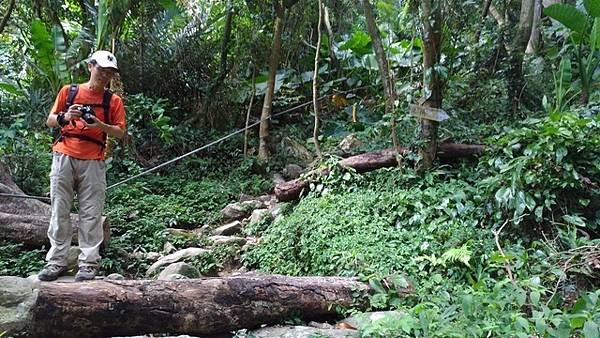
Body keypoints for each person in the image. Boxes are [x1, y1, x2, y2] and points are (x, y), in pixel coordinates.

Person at [38, 50, 126, 282]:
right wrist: (66, 116)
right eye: (101, 70)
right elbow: (49, 120)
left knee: (91, 213)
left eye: (109, 73)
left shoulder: (112, 101)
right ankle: (56, 261)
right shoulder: (69, 91)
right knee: (59, 210)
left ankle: (88, 263)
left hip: (94, 161)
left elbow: (119, 131)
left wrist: (99, 124)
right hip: (64, 155)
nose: (104, 76)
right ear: (90, 67)